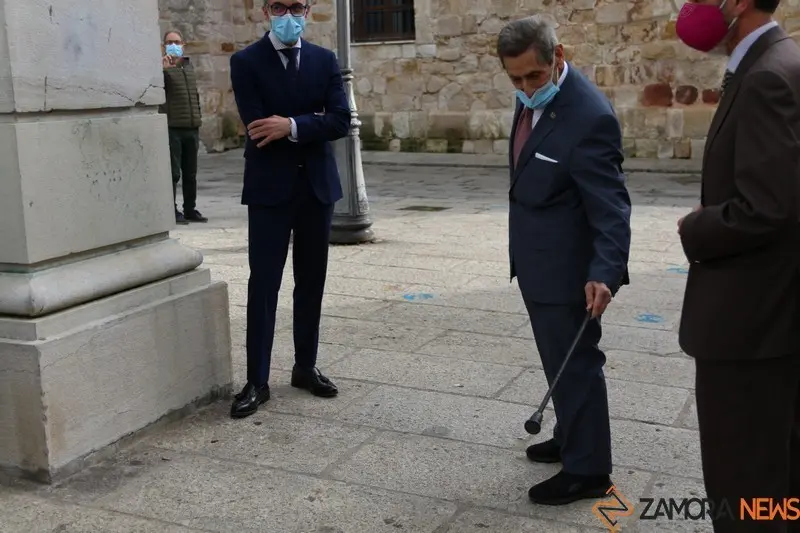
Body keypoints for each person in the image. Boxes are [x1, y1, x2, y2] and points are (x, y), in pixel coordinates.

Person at [675, 1, 800, 531]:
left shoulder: (768, 76)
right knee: (776, 473)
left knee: (745, 478)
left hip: (751, 324)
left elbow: (769, 206)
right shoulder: (780, 60)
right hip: (773, 315)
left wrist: (697, 226)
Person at [497, 15, 632, 505]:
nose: (526, 88)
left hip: (568, 271)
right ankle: (572, 436)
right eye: (515, 80)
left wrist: (605, 271)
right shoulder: (533, 97)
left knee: (577, 364)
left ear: (558, 58)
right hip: (538, 261)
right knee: (558, 361)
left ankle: (589, 470)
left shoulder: (588, 116)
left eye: (533, 77)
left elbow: (612, 205)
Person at [227, 0, 351, 419]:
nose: (289, 14)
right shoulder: (245, 61)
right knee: (263, 284)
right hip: (268, 190)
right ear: (265, 11)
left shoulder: (324, 60)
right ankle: (256, 380)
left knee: (311, 281)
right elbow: (257, 125)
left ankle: (305, 366)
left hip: (317, 189)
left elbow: (339, 121)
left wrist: (292, 125)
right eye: (280, 6)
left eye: (296, 5)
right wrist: (306, 121)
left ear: (308, 10)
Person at [161, 30, 208, 224]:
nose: (174, 45)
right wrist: (165, 70)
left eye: (177, 41)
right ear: (164, 46)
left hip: (191, 126)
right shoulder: (161, 70)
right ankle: (171, 210)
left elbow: (194, 95)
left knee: (191, 173)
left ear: (183, 44)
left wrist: (198, 118)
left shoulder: (188, 67)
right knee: (173, 172)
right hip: (173, 127)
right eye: (170, 42)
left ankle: (190, 208)